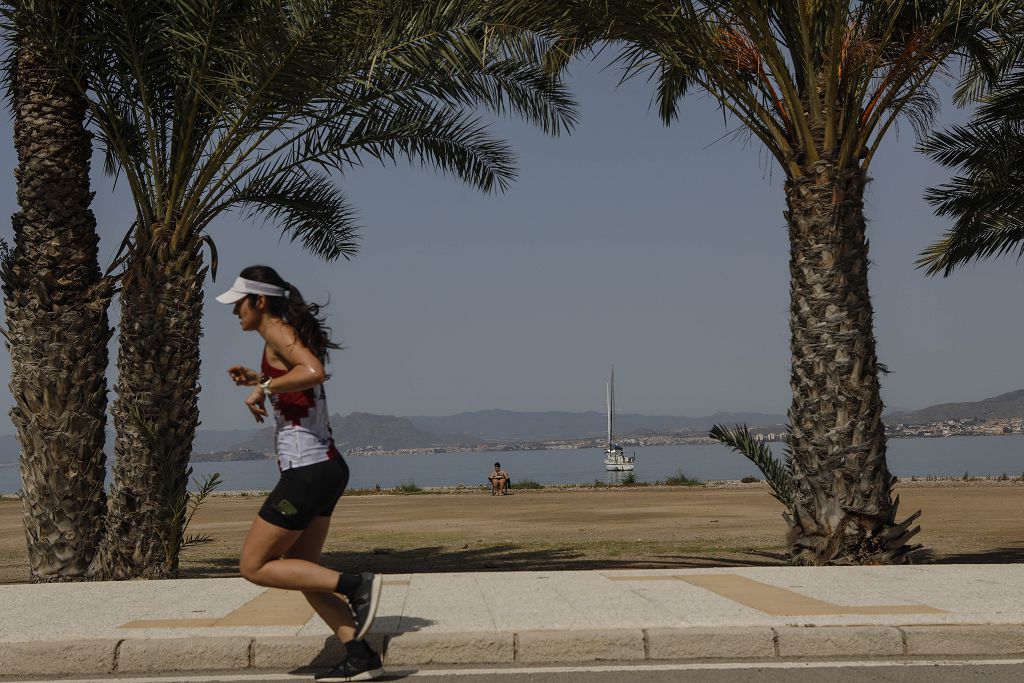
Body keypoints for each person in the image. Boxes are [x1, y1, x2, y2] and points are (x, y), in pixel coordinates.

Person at [219, 265, 383, 682]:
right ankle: (360, 655)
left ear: (259, 302)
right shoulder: (279, 335)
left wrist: (266, 388)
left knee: (255, 565)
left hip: (307, 471)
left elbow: (313, 371)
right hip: (325, 469)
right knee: (304, 570)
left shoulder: (277, 330)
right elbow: (300, 378)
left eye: (239, 302)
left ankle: (355, 583)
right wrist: (259, 380)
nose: (234, 310)